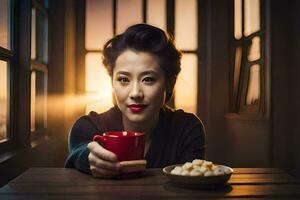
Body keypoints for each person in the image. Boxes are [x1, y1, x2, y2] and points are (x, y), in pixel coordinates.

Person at [65, 23, 206, 178]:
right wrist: (90, 158)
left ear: (170, 83)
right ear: (112, 83)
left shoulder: (187, 129)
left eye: (148, 79)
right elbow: (80, 152)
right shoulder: (88, 126)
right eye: (124, 79)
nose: (135, 93)